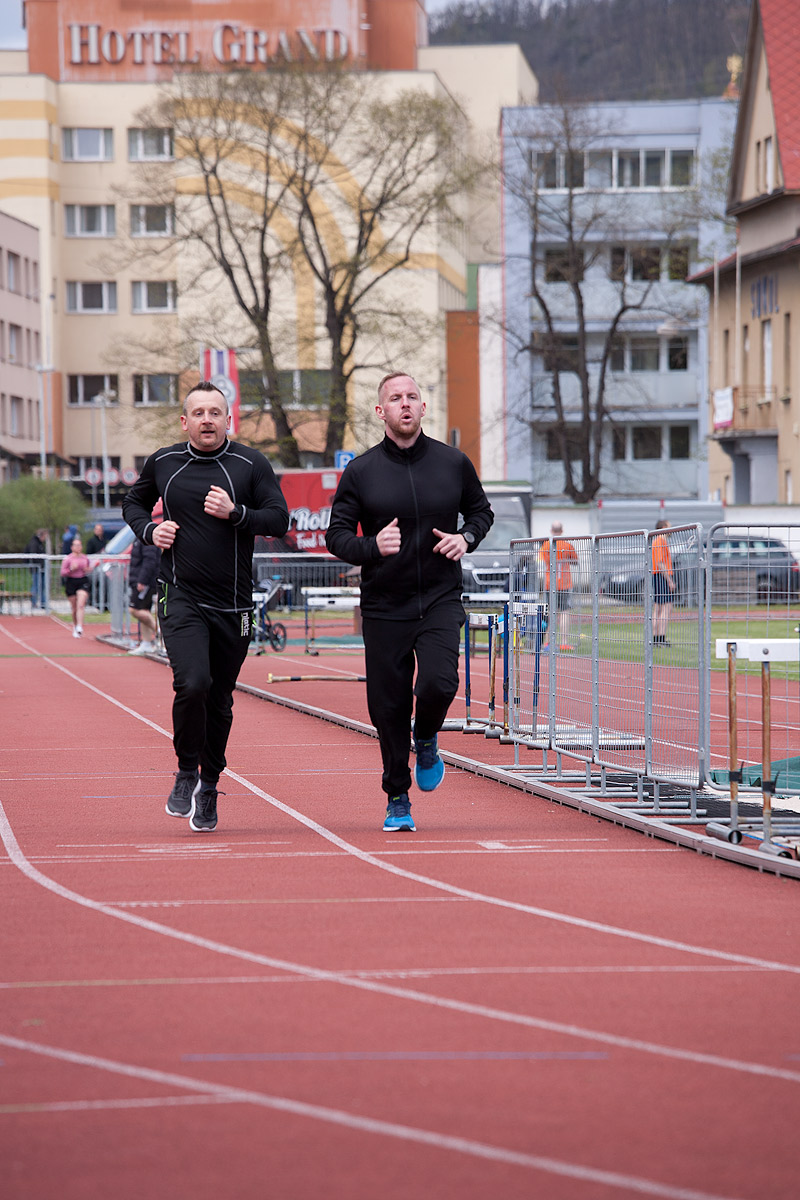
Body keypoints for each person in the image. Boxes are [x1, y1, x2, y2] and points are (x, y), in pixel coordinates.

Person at [326, 371, 493, 833]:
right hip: (385, 604)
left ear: (423, 408)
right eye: (395, 398)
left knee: (440, 682)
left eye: (412, 397)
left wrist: (467, 537)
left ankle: (427, 736)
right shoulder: (360, 472)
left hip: (439, 597)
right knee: (388, 708)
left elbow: (481, 512)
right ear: (380, 412)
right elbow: (336, 535)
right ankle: (397, 796)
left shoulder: (453, 462)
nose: (405, 404)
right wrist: (371, 547)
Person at [122, 380, 289, 832]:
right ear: (185, 421)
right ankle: (185, 771)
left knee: (219, 701)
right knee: (192, 683)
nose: (207, 419)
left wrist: (237, 514)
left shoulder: (250, 464)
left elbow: (279, 518)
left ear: (228, 418)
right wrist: (148, 531)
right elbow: (133, 503)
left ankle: (210, 785)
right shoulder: (165, 462)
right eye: (198, 412)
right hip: (181, 596)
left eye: (215, 412)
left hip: (234, 606)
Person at [537, 521, 579, 651]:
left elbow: (542, 560)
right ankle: (564, 641)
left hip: (550, 584)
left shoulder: (546, 546)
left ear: (551, 530)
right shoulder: (567, 545)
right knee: (565, 611)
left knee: (551, 613)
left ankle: (547, 642)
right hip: (564, 583)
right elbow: (575, 561)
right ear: (561, 531)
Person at [128, 531, 162, 655]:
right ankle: (146, 643)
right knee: (144, 610)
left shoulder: (147, 538)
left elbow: (150, 561)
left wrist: (142, 580)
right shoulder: (139, 537)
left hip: (145, 582)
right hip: (140, 579)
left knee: (135, 610)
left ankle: (161, 634)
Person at [60, 536, 91, 637]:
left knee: (81, 604)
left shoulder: (84, 558)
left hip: (82, 580)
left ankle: (79, 626)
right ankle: (75, 625)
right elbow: (63, 572)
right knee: (74, 608)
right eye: (76, 545)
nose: (78, 547)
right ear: (72, 547)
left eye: (79, 545)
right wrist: (71, 569)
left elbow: (88, 568)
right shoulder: (68, 559)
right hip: (71, 581)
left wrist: (87, 569)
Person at [652, 518, 675, 646]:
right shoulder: (660, 541)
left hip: (657, 576)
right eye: (668, 526)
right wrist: (669, 580)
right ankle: (660, 638)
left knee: (658, 608)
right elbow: (660, 562)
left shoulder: (657, 541)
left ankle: (656, 639)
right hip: (662, 576)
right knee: (665, 608)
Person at [24, 527, 48, 608]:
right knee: (36, 586)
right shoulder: (34, 543)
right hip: (36, 569)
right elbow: (33, 555)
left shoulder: (40, 544)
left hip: (41, 569)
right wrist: (38, 565)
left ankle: (43, 603)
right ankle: (34, 602)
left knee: (42, 586)